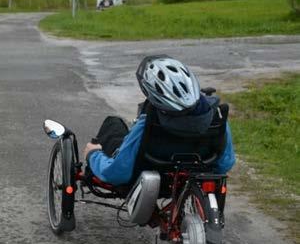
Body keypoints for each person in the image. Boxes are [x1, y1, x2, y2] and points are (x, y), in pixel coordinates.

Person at [83, 56, 235, 186]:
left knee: (113, 123)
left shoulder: (147, 123)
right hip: (195, 171)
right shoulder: (216, 118)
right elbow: (225, 164)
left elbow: (118, 174)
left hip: (148, 171)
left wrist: (93, 154)